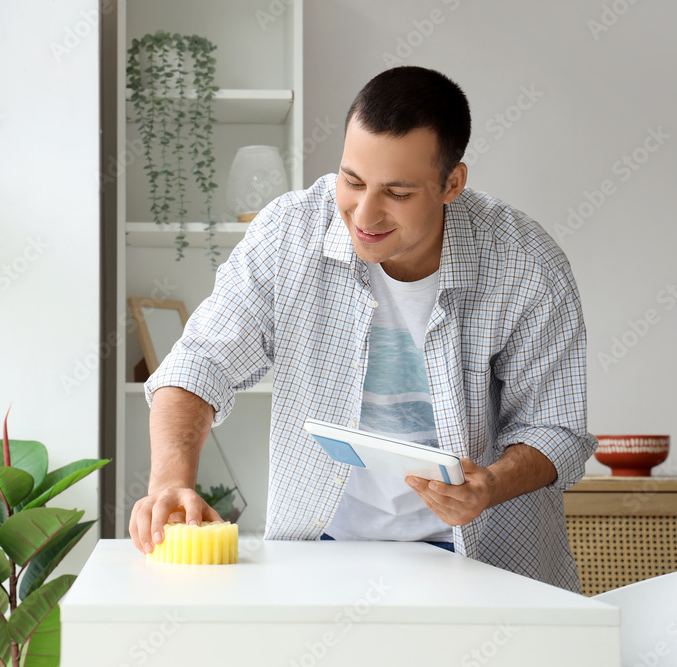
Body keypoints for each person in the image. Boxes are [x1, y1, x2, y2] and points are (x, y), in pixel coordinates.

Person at [128, 66, 596, 592]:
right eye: (351, 181)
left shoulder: (525, 262)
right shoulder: (288, 233)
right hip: (322, 547)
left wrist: (489, 485)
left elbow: (555, 430)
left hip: (485, 555)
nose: (364, 214)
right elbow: (199, 363)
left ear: (452, 184)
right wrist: (170, 480)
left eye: (397, 192)